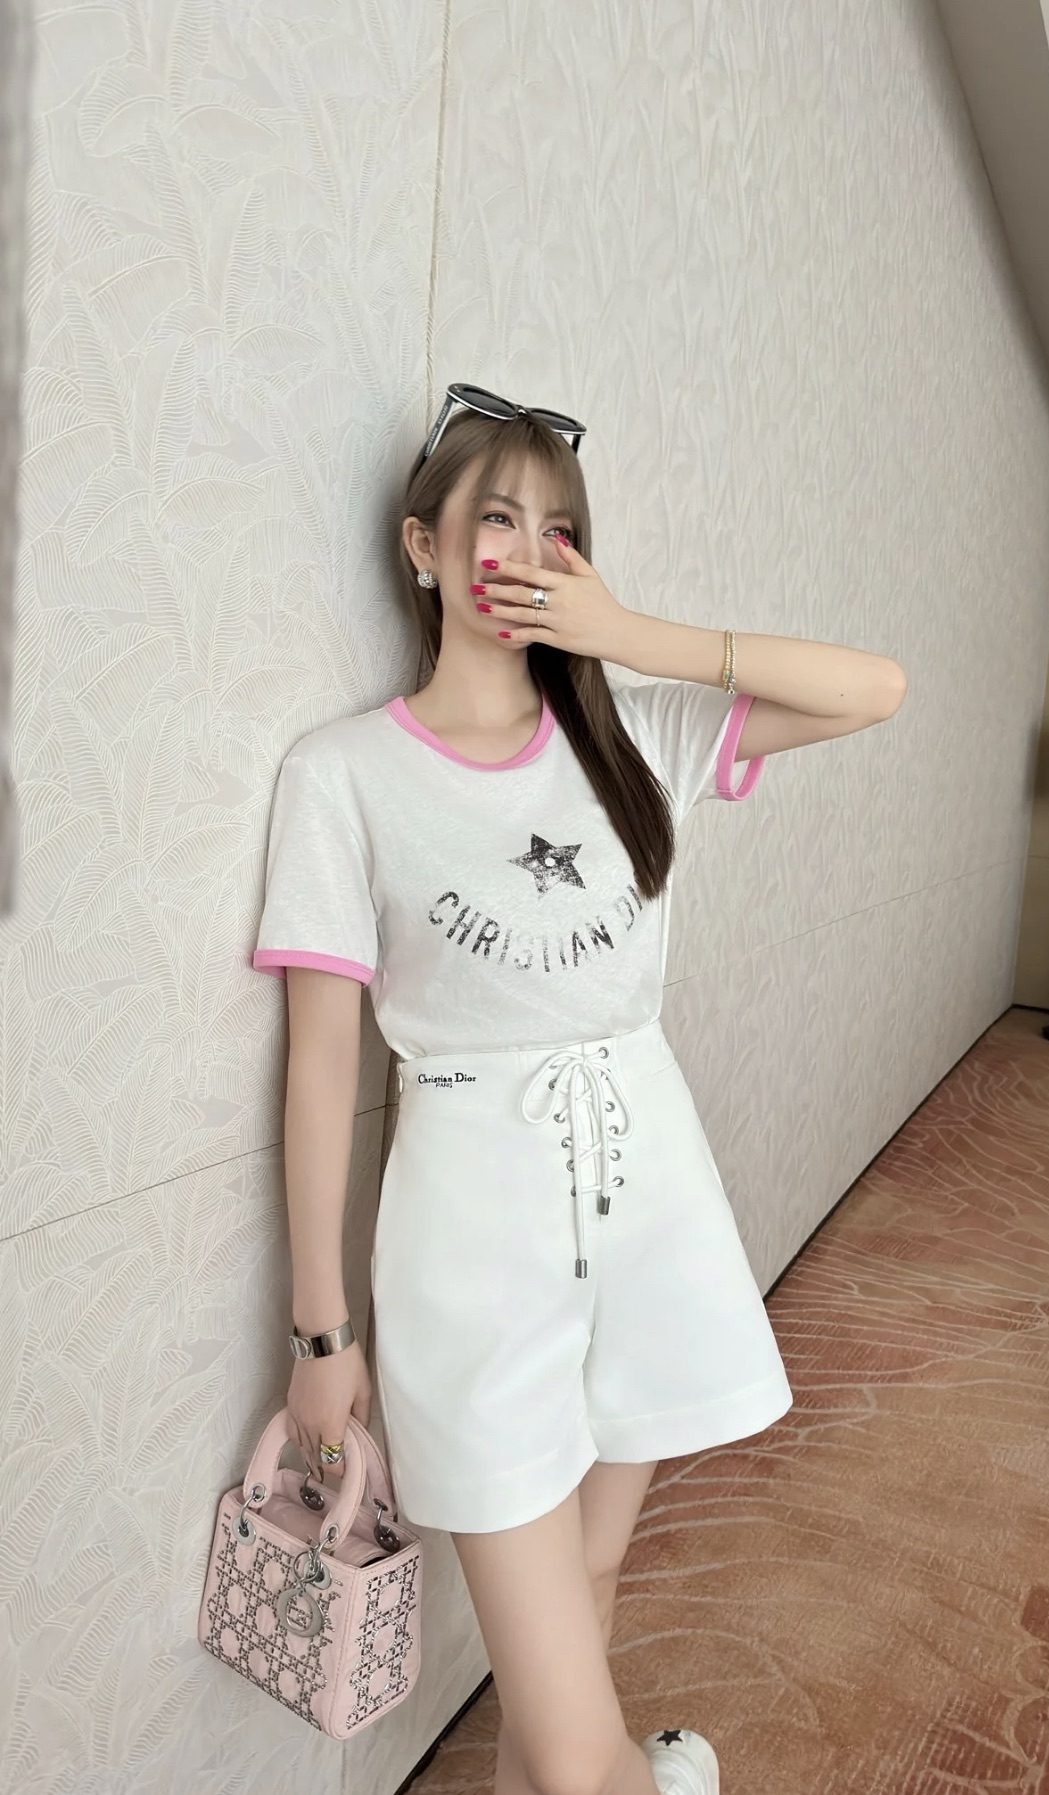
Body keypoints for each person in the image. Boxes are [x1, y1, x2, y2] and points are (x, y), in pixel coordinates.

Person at [251, 383, 908, 1795]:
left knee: (597, 1585)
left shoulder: (632, 738)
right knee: (569, 1743)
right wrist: (320, 1334)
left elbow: (876, 689)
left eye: (560, 531)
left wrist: (625, 636)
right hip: (473, 1236)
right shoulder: (344, 776)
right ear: (422, 546)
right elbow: (320, 1067)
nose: (528, 554)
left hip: (651, 1192)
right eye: (495, 519)